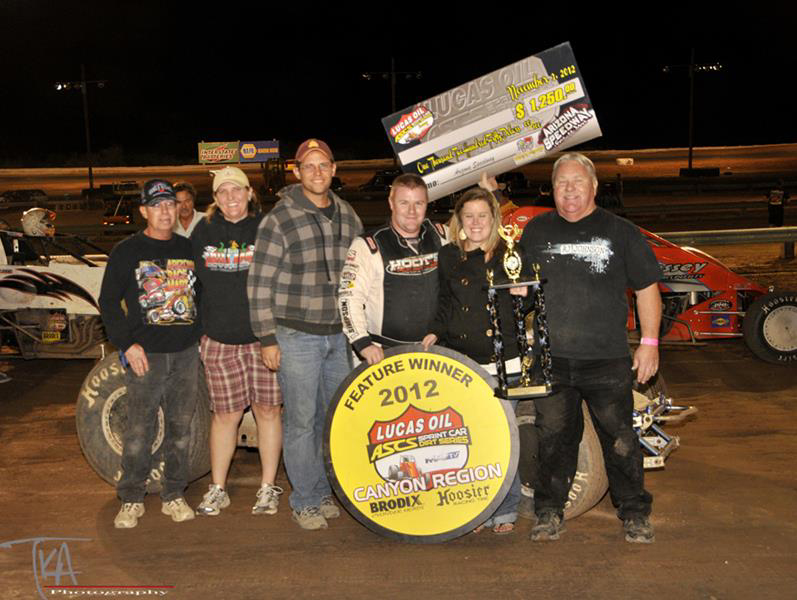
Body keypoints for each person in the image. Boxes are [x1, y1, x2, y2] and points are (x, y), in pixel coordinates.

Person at [517, 152, 662, 544]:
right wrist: (517, 295)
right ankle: (549, 512)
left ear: (594, 186)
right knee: (553, 440)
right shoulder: (535, 231)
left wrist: (649, 343)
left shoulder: (621, 231)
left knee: (620, 440)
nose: (569, 190)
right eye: (561, 183)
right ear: (552, 189)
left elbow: (647, 288)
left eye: (577, 182)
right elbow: (523, 289)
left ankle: (634, 512)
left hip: (607, 359)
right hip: (552, 359)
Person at [248, 139, 363, 530]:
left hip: (339, 337)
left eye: (323, 165)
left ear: (334, 169)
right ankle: (305, 501)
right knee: (301, 421)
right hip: (296, 335)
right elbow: (259, 283)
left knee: (332, 420)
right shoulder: (279, 219)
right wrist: (267, 338)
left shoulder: (348, 215)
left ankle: (324, 490)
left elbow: (359, 275)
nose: (317, 172)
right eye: (309, 166)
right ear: (296, 172)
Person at [98, 179, 201, 529]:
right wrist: (127, 344)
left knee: (181, 429)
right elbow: (108, 302)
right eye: (157, 206)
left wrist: (200, 336)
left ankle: (174, 494)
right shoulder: (127, 251)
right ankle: (131, 498)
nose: (165, 211)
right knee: (139, 430)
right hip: (146, 356)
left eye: (170, 204)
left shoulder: (188, 248)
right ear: (144, 211)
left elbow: (202, 297)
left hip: (185, 354)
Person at [421, 185, 523, 534]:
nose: (476, 222)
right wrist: (434, 331)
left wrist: (524, 293)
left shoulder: (510, 252)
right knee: (469, 439)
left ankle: (506, 508)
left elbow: (527, 298)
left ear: (494, 219)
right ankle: (477, 511)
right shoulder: (449, 255)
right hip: (462, 361)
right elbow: (445, 301)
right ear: (459, 220)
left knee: (502, 437)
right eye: (469, 216)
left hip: (503, 360)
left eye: (483, 215)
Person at [191, 166, 283, 517]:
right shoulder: (203, 231)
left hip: (264, 340)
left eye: (237, 190)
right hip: (219, 340)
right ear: (215, 198)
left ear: (249, 193)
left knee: (268, 411)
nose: (230, 197)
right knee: (225, 415)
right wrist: (199, 331)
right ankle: (218, 488)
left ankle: (268, 487)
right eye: (223, 191)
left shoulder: (267, 227)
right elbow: (192, 284)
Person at [338, 173, 446, 365]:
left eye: (419, 203)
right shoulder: (368, 245)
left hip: (435, 352)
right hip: (384, 354)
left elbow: (479, 231)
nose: (412, 211)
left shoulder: (441, 235)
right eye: (404, 203)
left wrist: (492, 193)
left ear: (427, 204)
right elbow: (349, 297)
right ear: (391, 203)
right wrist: (362, 343)